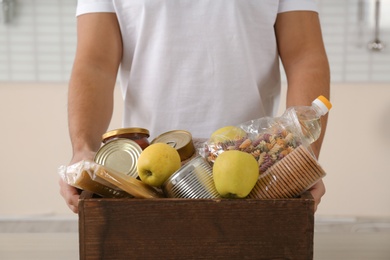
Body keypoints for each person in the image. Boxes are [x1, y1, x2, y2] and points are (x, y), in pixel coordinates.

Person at [60, 0, 330, 213]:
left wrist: (304, 158)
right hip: (144, 180)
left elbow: (304, 57)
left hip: (256, 171)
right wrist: (83, 149)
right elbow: (95, 65)